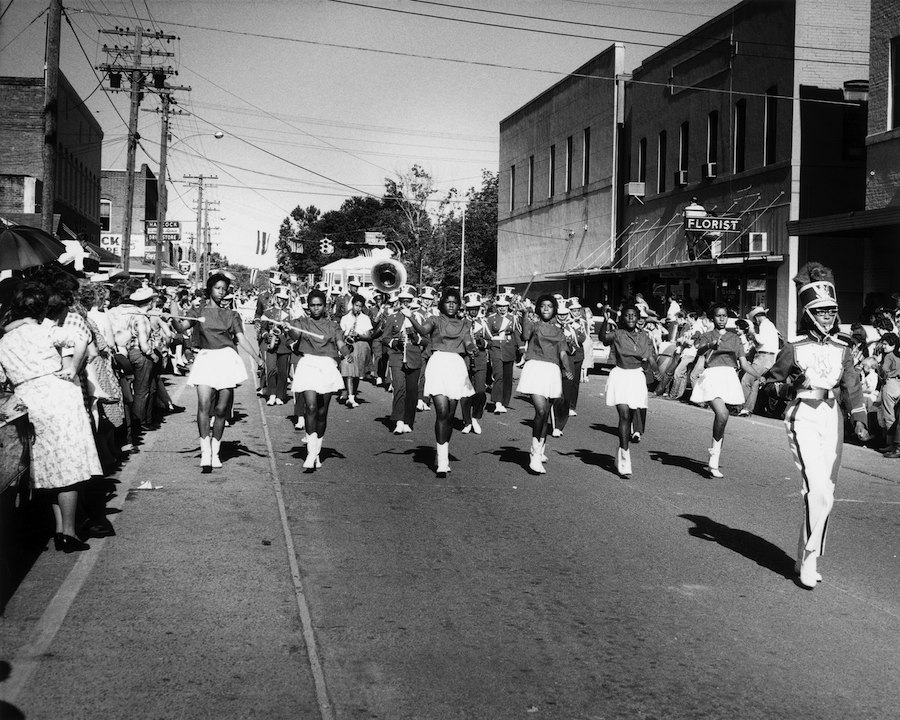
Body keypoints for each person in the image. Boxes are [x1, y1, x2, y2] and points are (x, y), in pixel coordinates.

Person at [762, 262, 870, 589]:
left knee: (828, 493)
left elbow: (852, 386)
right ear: (809, 313)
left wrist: (860, 419)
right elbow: (771, 383)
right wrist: (786, 385)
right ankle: (810, 559)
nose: (827, 316)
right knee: (817, 489)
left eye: (831, 311)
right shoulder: (794, 347)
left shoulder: (843, 349)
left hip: (831, 415)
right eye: (821, 311)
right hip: (803, 414)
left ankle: (804, 557)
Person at [0, 283, 103, 552]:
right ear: (42, 308)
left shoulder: (5, 340)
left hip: (28, 398)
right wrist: (72, 368)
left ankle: (61, 529)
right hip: (58, 395)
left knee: (49, 467)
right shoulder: (44, 330)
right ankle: (68, 531)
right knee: (68, 465)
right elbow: (82, 339)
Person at [170, 274, 257, 471]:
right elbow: (180, 326)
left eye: (224, 289)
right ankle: (205, 452)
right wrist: (173, 307)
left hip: (226, 360)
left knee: (220, 410)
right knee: (203, 405)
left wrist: (257, 359)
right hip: (206, 359)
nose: (221, 292)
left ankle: (215, 451)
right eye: (218, 288)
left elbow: (241, 339)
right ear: (210, 289)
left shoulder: (231, 315)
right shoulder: (198, 311)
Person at [402, 287, 476, 477]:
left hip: (456, 366)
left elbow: (468, 342)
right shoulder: (434, 320)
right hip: (438, 364)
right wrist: (410, 316)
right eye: (448, 301)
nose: (451, 305)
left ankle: (441, 451)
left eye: (455, 302)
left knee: (450, 415)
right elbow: (423, 331)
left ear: (459, 305)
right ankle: (443, 461)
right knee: (442, 411)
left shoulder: (465, 324)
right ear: (441, 303)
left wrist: (471, 348)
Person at [690, 303, 762, 478]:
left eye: (724, 316)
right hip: (712, 376)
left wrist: (758, 375)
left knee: (722, 419)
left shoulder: (735, 338)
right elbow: (699, 350)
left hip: (729, 377)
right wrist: (710, 346)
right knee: (722, 414)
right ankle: (714, 456)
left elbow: (743, 363)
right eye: (718, 316)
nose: (721, 319)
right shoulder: (707, 336)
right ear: (712, 318)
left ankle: (714, 456)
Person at [286, 289, 352, 470]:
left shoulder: (333, 326)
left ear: (325, 306)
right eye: (312, 305)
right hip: (308, 365)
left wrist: (347, 354)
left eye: (319, 305)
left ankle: (316, 453)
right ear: (308, 306)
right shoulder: (301, 323)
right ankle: (310, 454)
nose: (315, 308)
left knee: (322, 413)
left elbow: (340, 344)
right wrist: (290, 328)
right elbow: (295, 335)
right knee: (311, 407)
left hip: (327, 367)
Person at [516, 294, 574, 474]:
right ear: (538, 308)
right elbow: (525, 335)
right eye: (543, 306)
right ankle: (534, 454)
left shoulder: (559, 332)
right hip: (535, 369)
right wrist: (525, 313)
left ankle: (540, 449)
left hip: (552, 371)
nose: (547, 308)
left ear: (555, 310)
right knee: (540, 410)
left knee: (547, 412)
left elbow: (563, 353)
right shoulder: (533, 324)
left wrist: (567, 369)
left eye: (550, 306)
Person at [599, 304, 658, 477]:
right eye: (627, 315)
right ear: (622, 318)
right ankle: (625, 456)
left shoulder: (645, 337)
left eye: (634, 315)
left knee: (631, 415)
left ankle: (621, 449)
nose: (631, 318)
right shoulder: (617, 334)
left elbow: (650, 360)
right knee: (624, 415)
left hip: (636, 378)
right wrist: (605, 319)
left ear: (639, 318)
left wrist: (657, 373)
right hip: (620, 376)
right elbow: (603, 338)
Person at [381, 285, 426, 434]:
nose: (405, 304)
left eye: (408, 301)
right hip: (397, 356)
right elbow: (384, 338)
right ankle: (399, 420)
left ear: (412, 301)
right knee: (399, 387)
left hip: (414, 356)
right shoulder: (392, 317)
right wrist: (395, 343)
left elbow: (426, 340)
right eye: (402, 301)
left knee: (412, 391)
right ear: (398, 302)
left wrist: (414, 336)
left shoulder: (418, 317)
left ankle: (408, 420)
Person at [551, 299, 587, 437]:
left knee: (566, 393)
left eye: (565, 314)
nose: (562, 316)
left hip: (568, 362)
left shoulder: (573, 326)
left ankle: (561, 423)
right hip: (554, 362)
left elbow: (579, 342)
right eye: (559, 314)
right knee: (555, 394)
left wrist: (570, 340)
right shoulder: (551, 325)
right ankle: (555, 426)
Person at [738, 306, 780, 417]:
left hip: (763, 357)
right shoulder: (770, 325)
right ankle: (747, 409)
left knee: (746, 380)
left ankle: (740, 406)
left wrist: (753, 333)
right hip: (768, 357)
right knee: (755, 383)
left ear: (757, 318)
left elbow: (761, 341)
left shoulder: (765, 325)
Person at [460, 292, 490, 435]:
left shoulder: (483, 322)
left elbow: (491, 340)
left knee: (480, 391)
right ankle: (467, 421)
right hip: (465, 360)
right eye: (471, 308)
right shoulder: (461, 322)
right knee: (465, 392)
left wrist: (482, 342)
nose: (473, 311)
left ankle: (475, 417)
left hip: (480, 360)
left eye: (476, 308)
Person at [259, 288, 294, 406]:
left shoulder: (290, 313)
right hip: (271, 345)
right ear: (275, 298)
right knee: (271, 369)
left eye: (285, 299)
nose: (282, 301)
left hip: (284, 345)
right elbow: (262, 329)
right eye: (280, 298)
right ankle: (272, 394)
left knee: (283, 372)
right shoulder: (268, 312)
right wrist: (266, 335)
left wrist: (288, 328)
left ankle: (280, 394)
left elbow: (293, 332)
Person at [486, 293, 520, 413]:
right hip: (496, 348)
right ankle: (497, 402)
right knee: (498, 375)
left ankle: (505, 401)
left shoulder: (513, 318)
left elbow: (516, 333)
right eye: (500, 306)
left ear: (508, 306)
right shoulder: (491, 318)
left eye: (504, 306)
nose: (502, 308)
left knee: (507, 377)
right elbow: (487, 335)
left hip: (509, 348)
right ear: (496, 306)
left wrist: (521, 347)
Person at [339, 292, 374, 408]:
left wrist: (358, 335)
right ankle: (350, 397)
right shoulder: (345, 318)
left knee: (356, 373)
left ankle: (352, 395)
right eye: (356, 305)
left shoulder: (365, 318)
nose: (357, 308)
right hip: (348, 346)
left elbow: (369, 336)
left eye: (360, 306)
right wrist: (347, 334)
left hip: (361, 346)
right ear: (352, 305)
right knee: (348, 370)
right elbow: (340, 334)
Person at [877, 332, 900, 458]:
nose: (883, 347)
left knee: (889, 415)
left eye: (885, 344)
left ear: (892, 344)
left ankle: (892, 444)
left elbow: (884, 372)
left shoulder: (889, 356)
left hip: (890, 385)